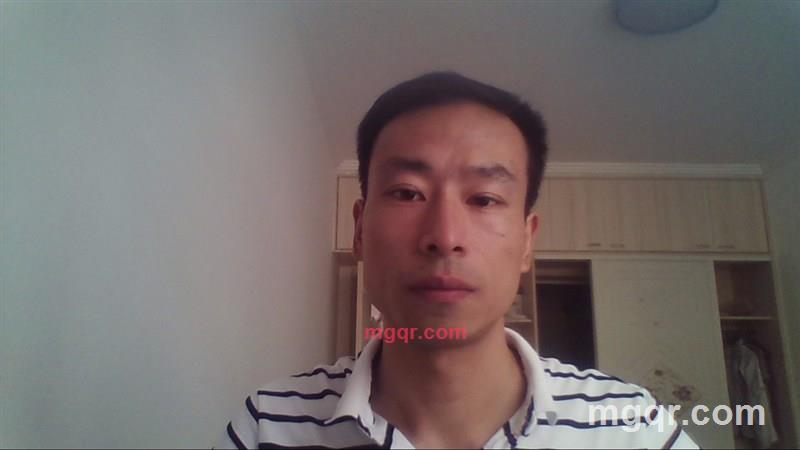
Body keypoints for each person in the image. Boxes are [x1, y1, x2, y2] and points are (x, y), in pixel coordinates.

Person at [217, 72, 698, 449]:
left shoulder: (632, 426)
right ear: (359, 230)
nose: (445, 238)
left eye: (484, 199)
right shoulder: (270, 426)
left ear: (526, 244)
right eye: (408, 193)